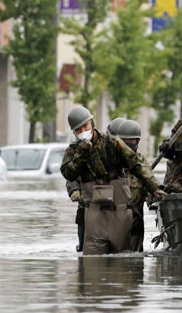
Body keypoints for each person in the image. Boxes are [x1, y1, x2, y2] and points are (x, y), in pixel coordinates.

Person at [60, 106, 166, 255]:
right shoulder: (73, 150)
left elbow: (137, 165)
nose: (83, 131)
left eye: (85, 126)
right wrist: (80, 155)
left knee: (123, 258)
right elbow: (69, 174)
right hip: (94, 212)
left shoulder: (112, 142)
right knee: (93, 260)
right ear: (74, 132)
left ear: (92, 123)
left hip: (119, 210)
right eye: (78, 129)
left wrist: (156, 188)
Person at [116, 119, 153, 252]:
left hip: (136, 221)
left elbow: (150, 186)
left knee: (135, 258)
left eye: (132, 140)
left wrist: (153, 198)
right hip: (113, 220)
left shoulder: (142, 162)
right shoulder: (112, 161)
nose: (128, 143)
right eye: (125, 140)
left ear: (137, 141)